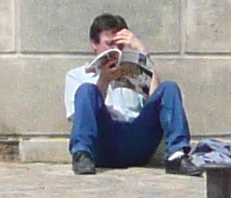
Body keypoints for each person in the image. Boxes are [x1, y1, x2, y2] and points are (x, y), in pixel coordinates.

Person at [65, 13, 193, 175]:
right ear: (94, 44)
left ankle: (177, 156)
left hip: (136, 139)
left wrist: (142, 52)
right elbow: (79, 119)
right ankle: (81, 155)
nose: (114, 50)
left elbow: (157, 99)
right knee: (86, 89)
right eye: (109, 44)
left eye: (120, 45)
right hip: (103, 141)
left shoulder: (133, 69)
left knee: (169, 87)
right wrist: (103, 80)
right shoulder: (76, 75)